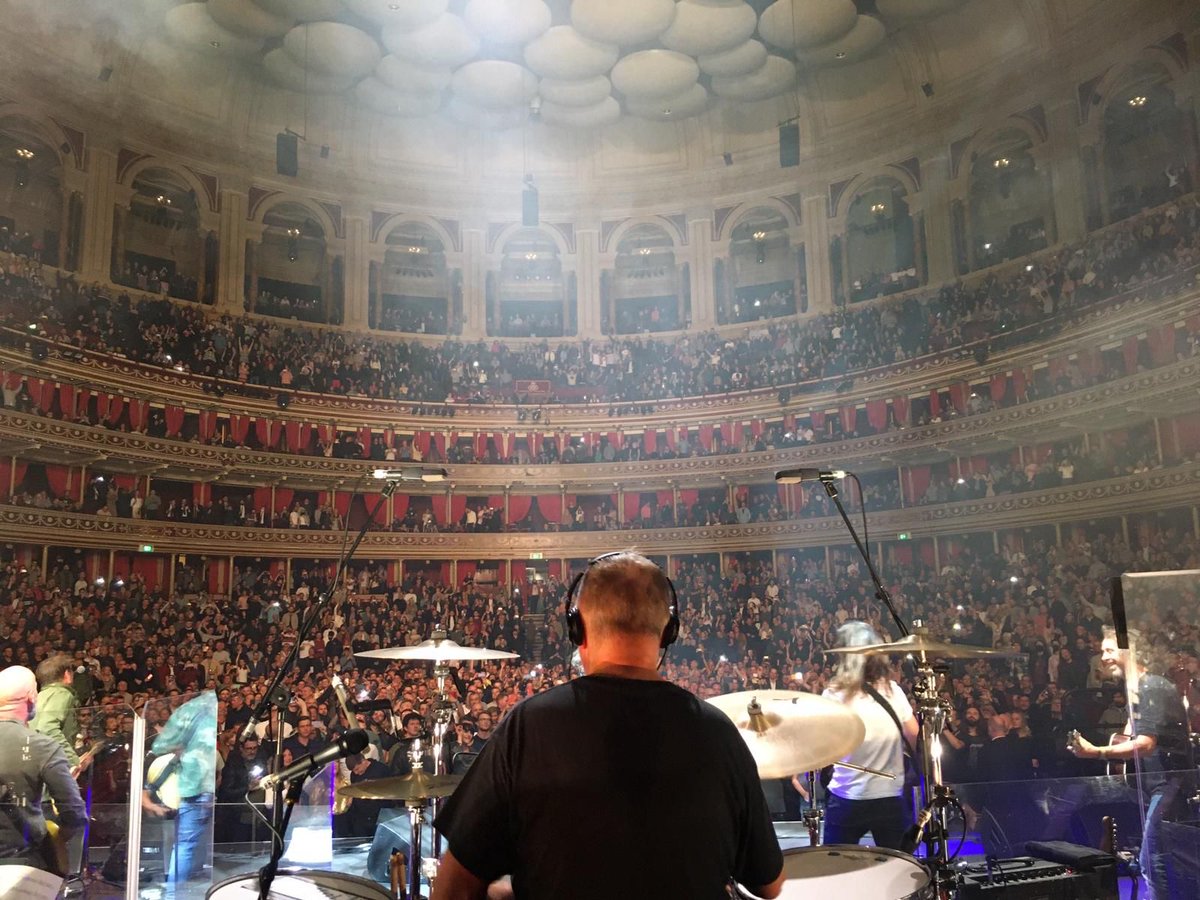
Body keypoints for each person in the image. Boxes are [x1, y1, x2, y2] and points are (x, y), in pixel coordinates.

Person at [432, 551, 784, 900]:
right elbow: (768, 884)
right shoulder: (718, 731)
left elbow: (453, 889)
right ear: (668, 631)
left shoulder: (528, 726)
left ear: (577, 628)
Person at [1068, 627, 1197, 900]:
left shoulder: (1152, 687)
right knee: (1155, 861)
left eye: (1109, 650)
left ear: (1131, 652)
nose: (1104, 657)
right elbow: (1134, 738)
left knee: (1155, 863)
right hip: (1156, 787)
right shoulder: (1138, 690)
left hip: (1170, 786)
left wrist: (1096, 752)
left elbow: (1146, 744)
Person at [819, 621, 918, 850]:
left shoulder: (833, 695)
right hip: (889, 796)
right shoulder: (893, 691)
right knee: (899, 864)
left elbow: (825, 746)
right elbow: (913, 734)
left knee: (835, 863)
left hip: (846, 795)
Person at [0, 665, 87, 874]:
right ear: (31, 697)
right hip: (21, 865)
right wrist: (57, 839)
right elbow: (73, 811)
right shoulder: (42, 746)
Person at [143, 692, 218, 896]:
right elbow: (162, 749)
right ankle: (173, 894)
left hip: (192, 796)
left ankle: (174, 893)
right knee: (185, 847)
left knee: (184, 847)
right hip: (195, 795)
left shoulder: (194, 731)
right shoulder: (202, 729)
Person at [31, 654, 81, 772]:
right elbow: (47, 728)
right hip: (53, 763)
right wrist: (72, 760)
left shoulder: (40, 696)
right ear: (67, 674)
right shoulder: (61, 693)